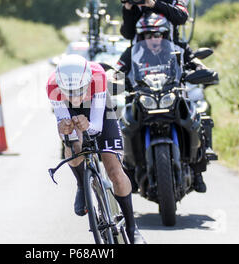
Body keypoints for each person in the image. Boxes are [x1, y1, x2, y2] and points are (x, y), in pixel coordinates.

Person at [46, 54, 143, 243]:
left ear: (88, 81)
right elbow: (64, 130)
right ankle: (82, 185)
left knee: (115, 171)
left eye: (79, 91)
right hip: (72, 114)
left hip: (98, 111)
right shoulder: (52, 86)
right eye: (69, 92)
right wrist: (67, 130)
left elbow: (97, 127)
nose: (75, 97)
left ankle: (132, 229)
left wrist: (86, 125)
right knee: (73, 148)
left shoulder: (98, 76)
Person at [121, 14, 208, 194]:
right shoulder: (132, 52)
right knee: (126, 124)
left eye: (157, 34)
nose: (153, 39)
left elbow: (194, 60)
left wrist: (200, 69)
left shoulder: (177, 49)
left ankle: (198, 171)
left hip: (173, 95)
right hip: (143, 98)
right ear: (141, 37)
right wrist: (113, 78)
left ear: (165, 34)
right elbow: (118, 69)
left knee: (195, 119)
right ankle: (130, 173)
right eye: (147, 36)